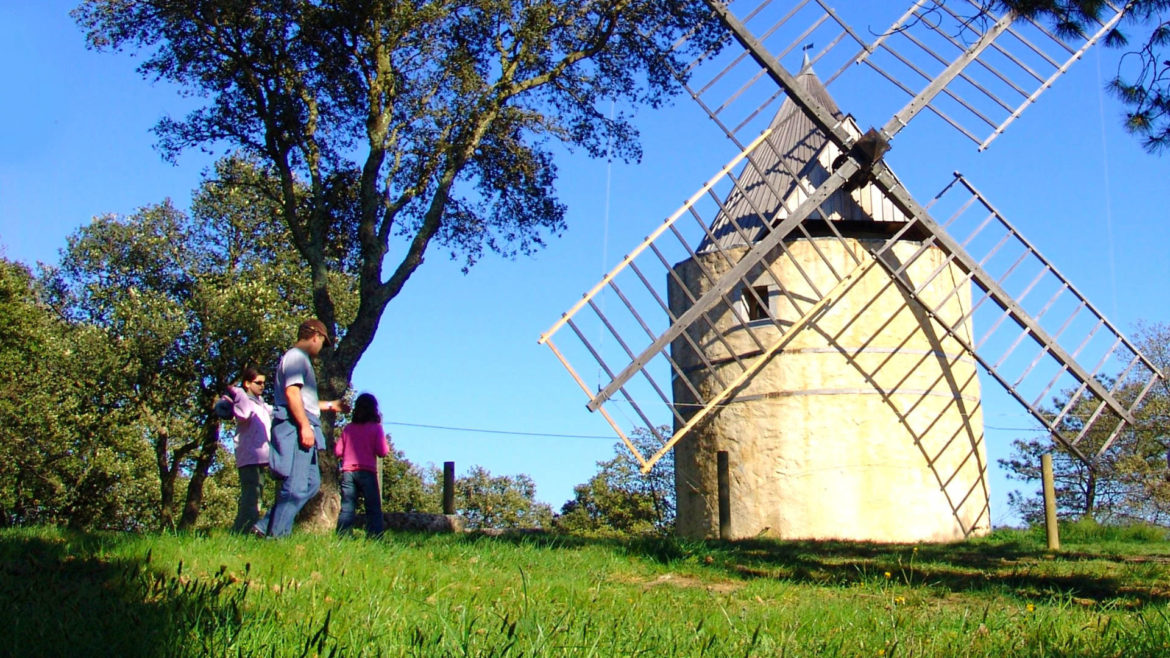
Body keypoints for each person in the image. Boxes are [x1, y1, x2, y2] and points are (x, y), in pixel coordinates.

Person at [256, 319, 349, 538]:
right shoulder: (296, 358)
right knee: (295, 486)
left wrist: (331, 405)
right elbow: (292, 394)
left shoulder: (300, 360)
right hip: (297, 425)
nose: (321, 349)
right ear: (315, 335)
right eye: (322, 343)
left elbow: (305, 401)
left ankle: (264, 525)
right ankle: (276, 538)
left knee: (310, 482)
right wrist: (304, 427)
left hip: (304, 422)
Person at [216, 367, 274, 534]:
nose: (262, 386)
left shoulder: (260, 403)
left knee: (257, 498)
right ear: (247, 383)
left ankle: (245, 532)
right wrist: (239, 394)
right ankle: (240, 533)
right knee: (251, 499)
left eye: (264, 383)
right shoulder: (243, 398)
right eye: (258, 383)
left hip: (260, 456)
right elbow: (244, 414)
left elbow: (275, 412)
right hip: (248, 455)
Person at [335, 393, 390, 537]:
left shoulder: (348, 429)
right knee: (373, 507)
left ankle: (343, 535)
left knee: (347, 506)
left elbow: (338, 451)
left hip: (348, 472)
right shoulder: (376, 428)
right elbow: (382, 451)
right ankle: (375, 535)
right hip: (367, 471)